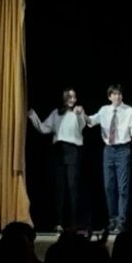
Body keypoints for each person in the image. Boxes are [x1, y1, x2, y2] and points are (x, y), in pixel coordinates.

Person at [27, 87, 86, 230]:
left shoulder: (78, 112)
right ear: (65, 98)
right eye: (70, 97)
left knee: (72, 187)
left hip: (73, 151)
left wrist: (79, 115)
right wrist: (32, 116)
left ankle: (74, 222)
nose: (72, 100)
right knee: (59, 187)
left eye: (74, 97)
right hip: (59, 151)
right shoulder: (56, 113)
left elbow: (81, 127)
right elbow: (43, 128)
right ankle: (59, 222)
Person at [86, 84, 132, 233]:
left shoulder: (129, 111)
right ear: (109, 96)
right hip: (108, 150)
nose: (117, 97)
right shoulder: (104, 110)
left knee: (123, 187)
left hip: (123, 149)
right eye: (114, 94)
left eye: (119, 94)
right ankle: (112, 219)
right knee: (109, 186)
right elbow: (90, 121)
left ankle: (121, 221)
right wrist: (81, 114)